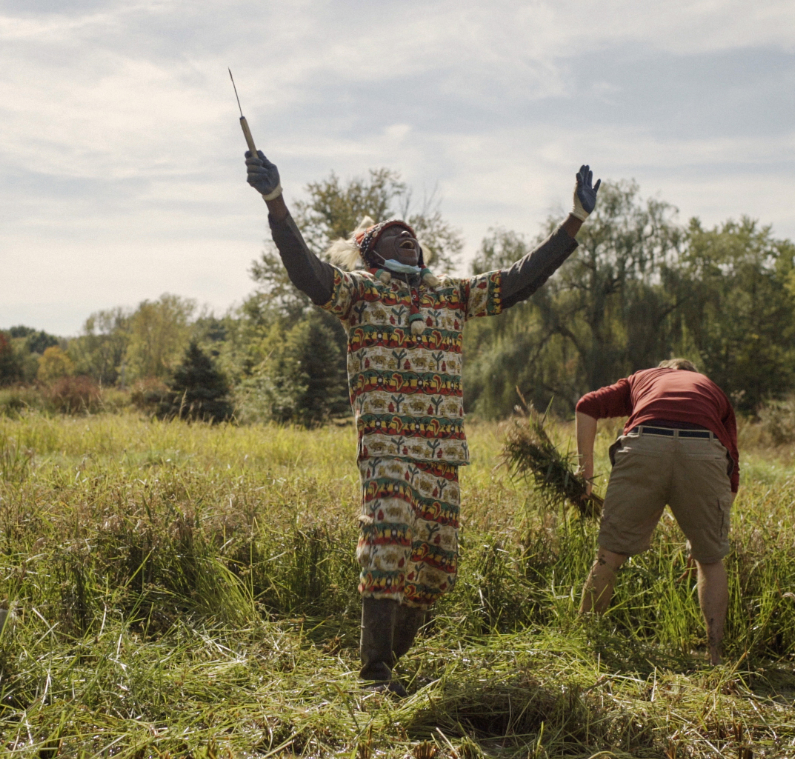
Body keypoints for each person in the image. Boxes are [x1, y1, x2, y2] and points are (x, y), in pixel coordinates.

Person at [245, 149, 600, 693]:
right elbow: (306, 271)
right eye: (394, 233)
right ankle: (374, 676)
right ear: (371, 254)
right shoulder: (359, 293)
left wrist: (573, 221)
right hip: (387, 448)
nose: (407, 234)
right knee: (386, 541)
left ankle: (390, 662)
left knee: (437, 570)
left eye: (411, 232)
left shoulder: (451, 295)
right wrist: (276, 203)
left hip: (441, 454)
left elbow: (519, 279)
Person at [574, 358, 738, 665]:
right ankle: (716, 660)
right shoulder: (713, 389)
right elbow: (733, 470)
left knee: (609, 556)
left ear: (666, 369)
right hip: (704, 451)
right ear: (692, 376)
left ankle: (583, 647)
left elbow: (587, 405)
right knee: (711, 562)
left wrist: (585, 475)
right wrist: (705, 540)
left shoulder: (644, 377)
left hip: (645, 445)